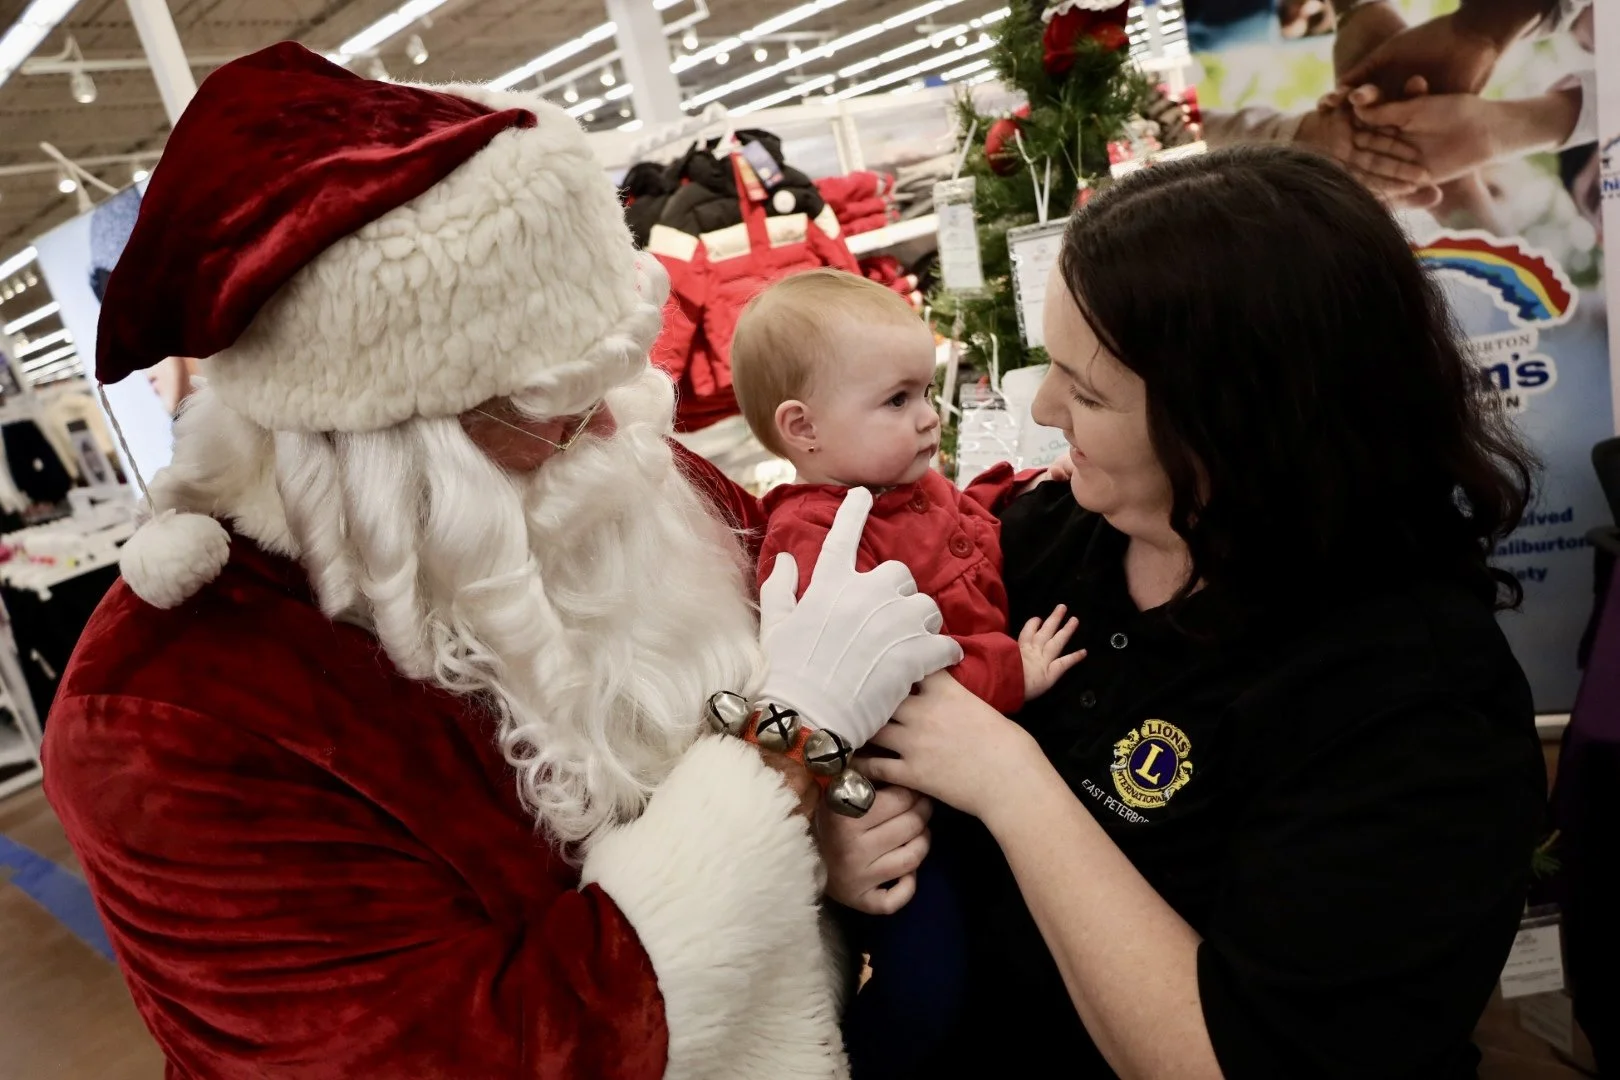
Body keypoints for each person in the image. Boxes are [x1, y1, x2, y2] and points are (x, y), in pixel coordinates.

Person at [43, 44, 962, 1080]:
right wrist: (786, 764)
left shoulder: (613, 466)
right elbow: (492, 1052)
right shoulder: (171, 714)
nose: (616, 421)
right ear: (395, 438)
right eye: (553, 403)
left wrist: (831, 835)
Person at [817, 145, 1548, 1077]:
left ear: (1237, 422)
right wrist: (850, 841)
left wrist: (1011, 779)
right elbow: (859, 745)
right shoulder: (1040, 540)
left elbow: (1236, 1058)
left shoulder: (1412, 690)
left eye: (1087, 390)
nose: (1043, 410)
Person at [729, 268, 1082, 1076]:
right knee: (930, 983)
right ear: (803, 427)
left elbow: (965, 524)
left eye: (926, 391)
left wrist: (1024, 487)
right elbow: (891, 684)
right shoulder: (815, 537)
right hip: (902, 817)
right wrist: (1011, 673)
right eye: (897, 400)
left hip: (971, 788)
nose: (929, 417)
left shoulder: (903, 484)